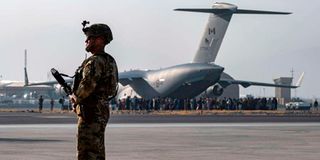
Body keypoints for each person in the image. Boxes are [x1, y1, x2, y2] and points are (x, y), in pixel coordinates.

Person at [69, 21, 118, 160]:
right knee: (97, 150)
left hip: (90, 111)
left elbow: (88, 85)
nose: (86, 41)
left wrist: (76, 98)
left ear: (100, 40)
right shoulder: (109, 60)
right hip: (101, 109)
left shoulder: (95, 61)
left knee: (87, 151)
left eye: (90, 38)